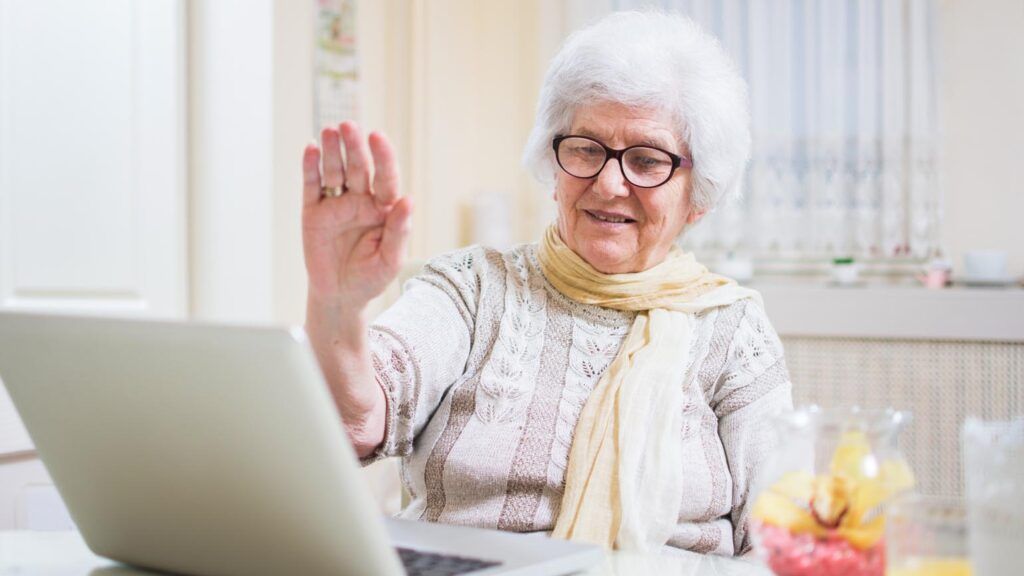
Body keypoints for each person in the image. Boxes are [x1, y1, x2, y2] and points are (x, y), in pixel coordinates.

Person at [300, 11, 793, 556]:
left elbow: (782, 542)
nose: (608, 184)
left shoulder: (733, 329)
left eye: (647, 160)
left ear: (697, 196)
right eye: (585, 148)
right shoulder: (472, 288)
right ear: (552, 161)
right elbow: (353, 424)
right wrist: (336, 304)